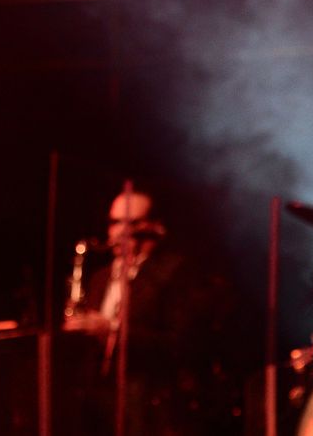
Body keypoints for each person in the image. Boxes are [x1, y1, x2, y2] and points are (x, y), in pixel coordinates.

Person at [60, 185, 241, 436]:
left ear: (155, 227)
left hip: (150, 407)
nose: (120, 232)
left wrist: (111, 330)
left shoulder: (175, 273)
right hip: (99, 404)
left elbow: (182, 344)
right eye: (114, 223)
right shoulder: (100, 277)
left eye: (131, 223)